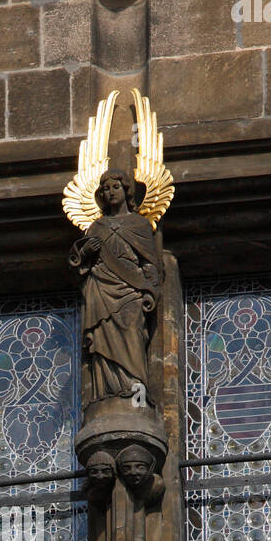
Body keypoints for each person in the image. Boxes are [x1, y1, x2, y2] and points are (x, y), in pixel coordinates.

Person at [69, 170, 161, 407]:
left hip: (130, 290)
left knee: (132, 330)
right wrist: (86, 253)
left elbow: (150, 262)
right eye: (106, 189)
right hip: (101, 287)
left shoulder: (139, 224)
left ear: (126, 190)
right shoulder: (96, 227)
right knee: (103, 336)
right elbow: (81, 261)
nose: (111, 192)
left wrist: (150, 290)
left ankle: (135, 387)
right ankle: (109, 391)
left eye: (115, 187)